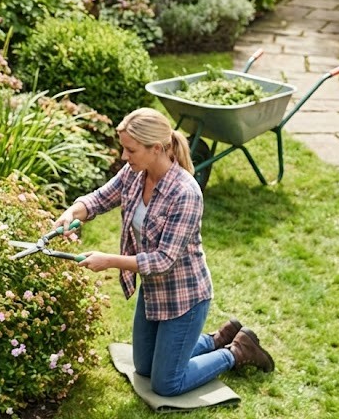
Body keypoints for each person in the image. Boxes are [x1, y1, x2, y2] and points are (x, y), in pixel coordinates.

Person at [54, 107, 274, 397]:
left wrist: (107, 261)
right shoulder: (135, 173)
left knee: (167, 383)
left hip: (186, 297)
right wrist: (72, 212)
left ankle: (238, 351)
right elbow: (99, 199)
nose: (123, 157)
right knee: (143, 367)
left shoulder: (185, 193)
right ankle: (216, 339)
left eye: (130, 150)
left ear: (156, 148)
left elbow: (163, 261)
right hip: (153, 293)